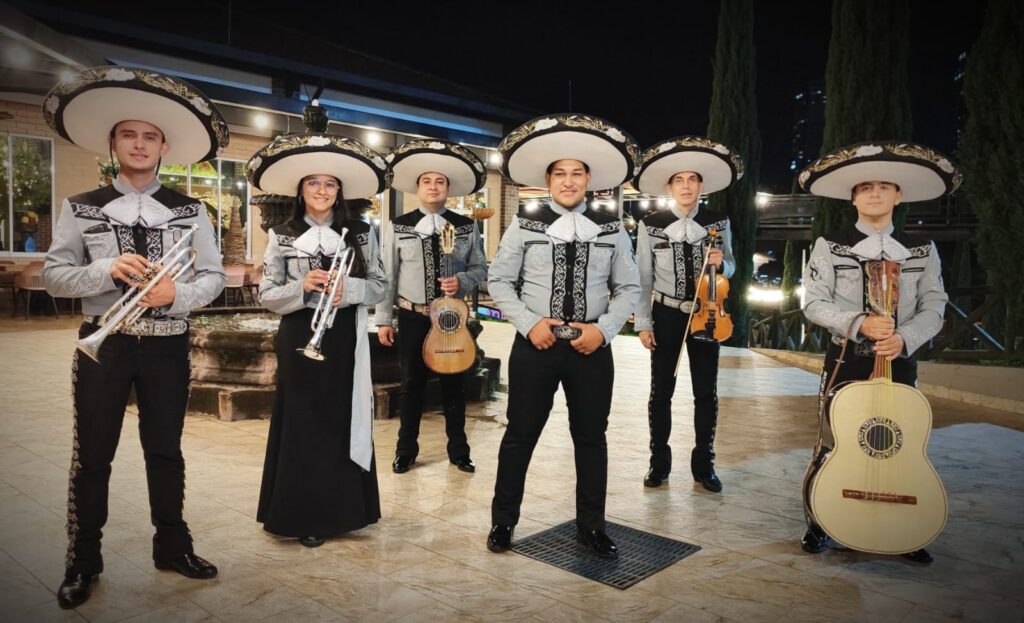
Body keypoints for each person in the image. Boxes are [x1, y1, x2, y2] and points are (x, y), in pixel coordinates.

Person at [42, 66, 229, 609]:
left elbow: (213, 278)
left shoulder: (192, 210)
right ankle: (84, 558)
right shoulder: (81, 205)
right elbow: (55, 278)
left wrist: (175, 293)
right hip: (105, 342)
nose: (140, 144)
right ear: (114, 142)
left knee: (165, 452)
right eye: (130, 134)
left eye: (150, 136)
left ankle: (172, 544)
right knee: (93, 455)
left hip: (169, 343)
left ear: (165, 146)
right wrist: (104, 272)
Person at [486, 114, 641, 559]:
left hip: (590, 349)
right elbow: (499, 280)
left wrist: (605, 330)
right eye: (560, 174)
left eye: (577, 173)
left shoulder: (611, 226)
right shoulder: (526, 220)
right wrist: (529, 323)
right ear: (549, 180)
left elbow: (629, 287)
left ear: (589, 179)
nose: (569, 181)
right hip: (536, 346)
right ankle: (503, 521)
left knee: (592, 438)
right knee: (520, 435)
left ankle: (591, 527)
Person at [797, 142, 956, 564]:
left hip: (900, 358)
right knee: (833, 441)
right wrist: (859, 323)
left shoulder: (922, 249)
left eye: (884, 187)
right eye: (865, 187)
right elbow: (813, 303)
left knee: (901, 440)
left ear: (898, 196)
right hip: (847, 357)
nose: (874, 194)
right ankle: (821, 522)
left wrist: (905, 337)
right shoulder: (831, 246)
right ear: (854, 197)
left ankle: (906, 528)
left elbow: (935, 306)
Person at [248, 129, 391, 547]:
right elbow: (267, 295)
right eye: (314, 183)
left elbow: (381, 286)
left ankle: (345, 512)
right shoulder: (281, 234)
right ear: (301, 189)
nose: (322, 190)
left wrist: (350, 290)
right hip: (299, 333)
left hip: (344, 334)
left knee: (341, 420)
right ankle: (303, 515)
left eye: (330, 184)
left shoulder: (362, 232)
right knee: (303, 424)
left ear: (339, 191)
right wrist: (303, 288)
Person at [631, 137, 742, 492]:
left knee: (705, 392)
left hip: (708, 314)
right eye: (679, 181)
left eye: (692, 180)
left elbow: (733, 265)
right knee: (660, 391)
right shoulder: (652, 223)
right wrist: (644, 323)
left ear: (701, 186)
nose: (686, 186)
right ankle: (658, 463)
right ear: (670, 187)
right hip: (666, 313)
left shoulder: (717, 221)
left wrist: (722, 262)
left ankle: (704, 464)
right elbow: (642, 277)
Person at [375, 140, 488, 474]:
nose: (434, 186)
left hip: (452, 316)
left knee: (455, 383)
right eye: (427, 181)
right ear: (418, 187)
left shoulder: (466, 225)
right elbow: (387, 276)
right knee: (411, 385)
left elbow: (481, 268)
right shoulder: (400, 225)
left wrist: (462, 282)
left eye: (440, 181)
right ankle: (406, 450)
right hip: (413, 315)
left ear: (448, 188)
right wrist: (384, 319)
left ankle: (459, 450)